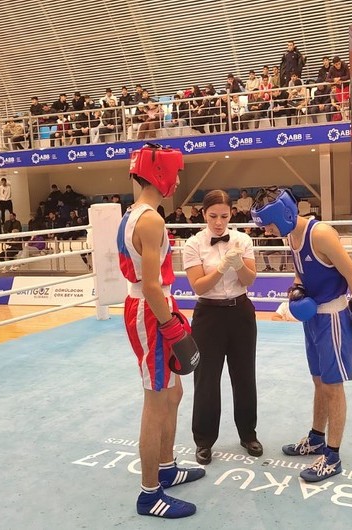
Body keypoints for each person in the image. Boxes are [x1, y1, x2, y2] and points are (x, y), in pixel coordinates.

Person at [250, 187, 352, 483]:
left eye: (269, 225)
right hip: (313, 318)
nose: (267, 231)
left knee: (333, 386)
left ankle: (332, 457)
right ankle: (316, 438)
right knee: (319, 381)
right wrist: (297, 288)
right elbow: (301, 271)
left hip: (333, 316)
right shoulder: (290, 236)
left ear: (284, 215)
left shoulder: (320, 234)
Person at [117, 144, 203, 519]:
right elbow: (151, 285)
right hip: (151, 310)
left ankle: (166, 467)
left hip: (154, 306)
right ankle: (150, 493)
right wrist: (169, 325)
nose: (179, 180)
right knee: (155, 402)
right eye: (176, 173)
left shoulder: (134, 213)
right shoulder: (150, 220)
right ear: (159, 173)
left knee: (174, 392)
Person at [182, 190, 261, 466]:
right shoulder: (193, 244)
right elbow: (198, 286)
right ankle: (203, 441)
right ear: (204, 214)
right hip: (208, 316)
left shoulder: (242, 240)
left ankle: (248, 434)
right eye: (213, 216)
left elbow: (249, 280)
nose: (218, 222)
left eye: (224, 216)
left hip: (240, 312)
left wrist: (238, 264)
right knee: (206, 379)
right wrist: (222, 268)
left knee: (244, 376)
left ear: (231, 215)